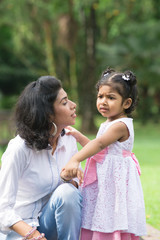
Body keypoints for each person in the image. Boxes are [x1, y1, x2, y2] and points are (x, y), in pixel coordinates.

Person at [61, 68, 147, 240]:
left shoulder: (120, 125)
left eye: (111, 97)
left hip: (113, 183)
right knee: (100, 215)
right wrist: (79, 136)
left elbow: (99, 144)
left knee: (110, 218)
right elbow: (100, 151)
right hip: (105, 180)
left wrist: (75, 158)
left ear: (126, 103)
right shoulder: (110, 123)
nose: (103, 102)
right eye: (100, 96)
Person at [0, 76, 82, 240]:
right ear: (48, 114)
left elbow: (74, 193)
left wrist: (69, 179)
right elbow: (3, 209)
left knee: (68, 192)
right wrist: (33, 235)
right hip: (20, 231)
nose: (73, 105)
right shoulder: (19, 149)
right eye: (64, 102)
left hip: (51, 225)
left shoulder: (69, 140)